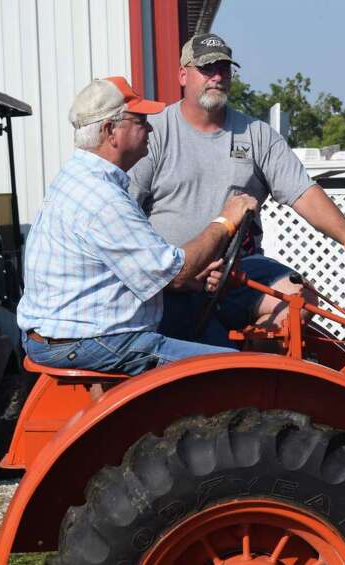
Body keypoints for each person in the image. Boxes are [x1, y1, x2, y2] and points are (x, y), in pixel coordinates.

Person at [129, 33, 345, 347]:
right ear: (183, 75)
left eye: (224, 69)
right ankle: (233, 363)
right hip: (172, 277)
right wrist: (169, 272)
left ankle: (255, 358)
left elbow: (303, 192)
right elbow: (125, 209)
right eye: (207, 68)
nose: (217, 77)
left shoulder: (257, 135)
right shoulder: (155, 132)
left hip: (237, 272)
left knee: (300, 297)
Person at [17, 76, 257, 375]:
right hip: (91, 341)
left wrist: (192, 281)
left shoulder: (80, 180)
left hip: (73, 336)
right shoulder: (101, 197)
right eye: (140, 120)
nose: (151, 128)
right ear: (110, 131)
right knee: (242, 370)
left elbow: (150, 272)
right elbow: (176, 273)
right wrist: (226, 220)